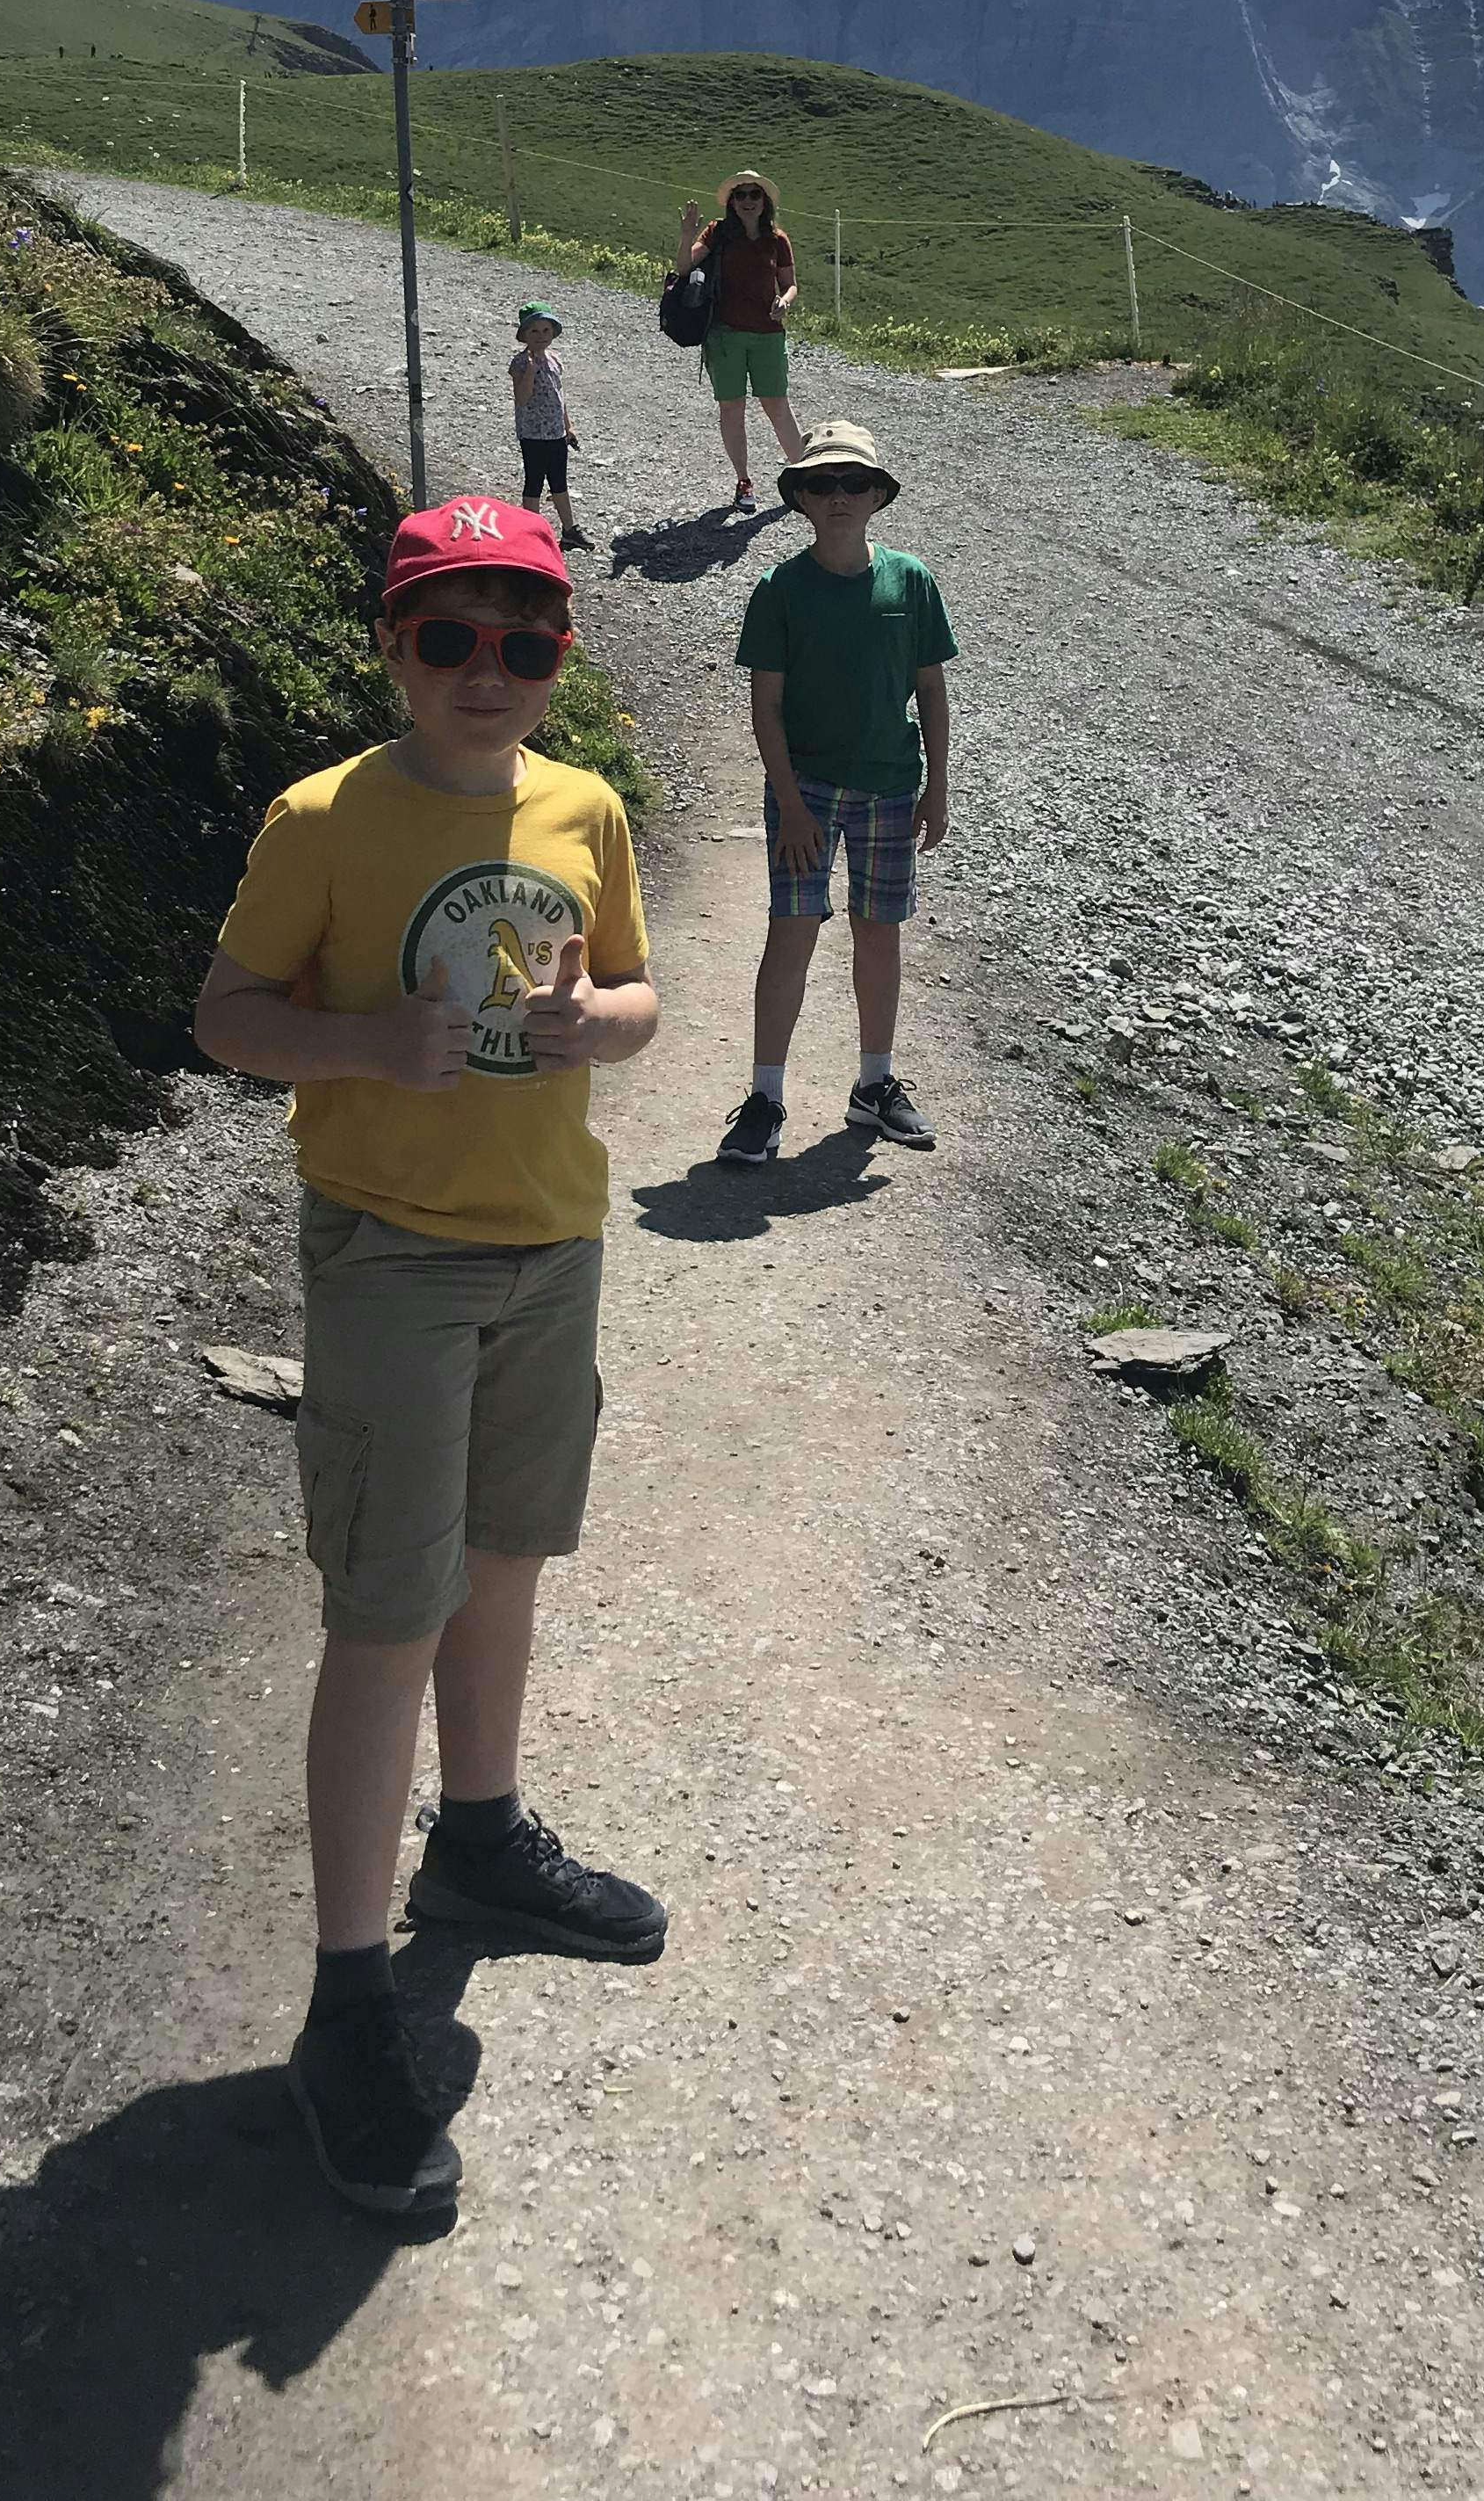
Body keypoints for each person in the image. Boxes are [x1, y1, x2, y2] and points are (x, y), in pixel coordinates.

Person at [190, 494, 663, 2222]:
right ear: (393, 646)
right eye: (449, 636)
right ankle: (343, 2002)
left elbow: (633, 997)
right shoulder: (324, 819)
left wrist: (594, 1023)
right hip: (391, 1254)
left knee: (506, 1567)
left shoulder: (586, 807)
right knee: (386, 1613)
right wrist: (369, 1047)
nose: (489, 670)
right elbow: (228, 1015)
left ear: (557, 661)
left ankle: (476, 1842)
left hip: (554, 1244)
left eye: (524, 639)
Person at [715, 417, 954, 1168]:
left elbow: (931, 690)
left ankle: (875, 1085)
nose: (839, 495)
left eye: (854, 482)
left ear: (878, 494)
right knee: (792, 930)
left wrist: (939, 783)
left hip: (891, 786)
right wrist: (787, 801)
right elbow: (766, 706)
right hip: (806, 793)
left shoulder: (911, 581)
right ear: (801, 499)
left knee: (878, 930)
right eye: (822, 483)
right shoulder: (778, 589)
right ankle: (765, 1096)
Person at [674, 170, 799, 513]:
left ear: (764, 202)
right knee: (733, 408)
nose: (747, 201)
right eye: (740, 195)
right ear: (732, 202)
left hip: (768, 335)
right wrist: (686, 237)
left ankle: (802, 475)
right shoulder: (717, 232)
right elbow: (684, 269)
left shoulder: (777, 239)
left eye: (754, 195)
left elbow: (790, 284)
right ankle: (744, 480)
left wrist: (785, 301)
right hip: (725, 334)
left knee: (777, 405)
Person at [507, 301, 589, 550]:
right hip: (532, 435)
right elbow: (521, 398)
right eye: (534, 331)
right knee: (534, 482)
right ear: (524, 335)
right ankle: (529, 531)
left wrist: (568, 426)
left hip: (555, 433)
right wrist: (530, 372)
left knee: (559, 481)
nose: (541, 336)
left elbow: (559, 396)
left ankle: (569, 530)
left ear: (553, 332)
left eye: (546, 331)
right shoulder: (521, 364)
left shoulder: (554, 360)